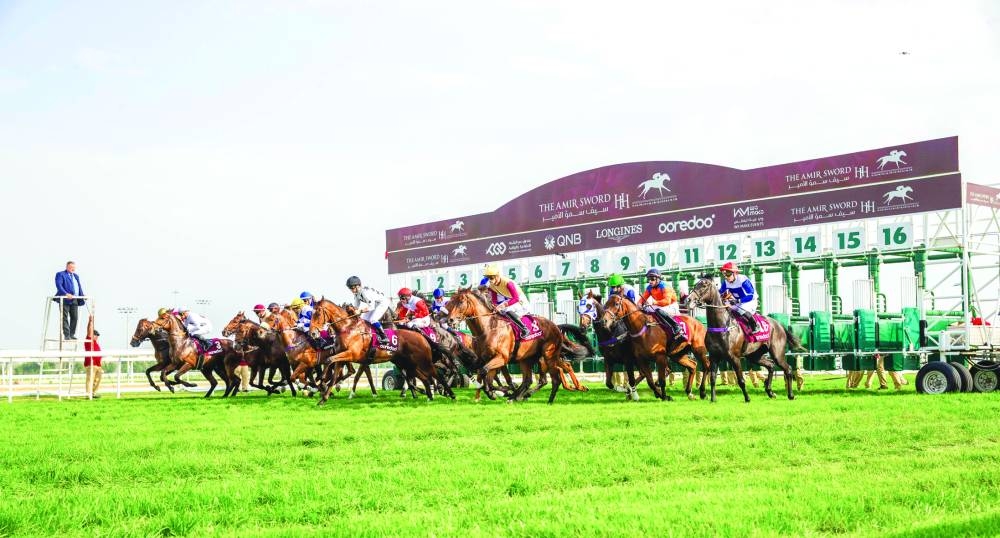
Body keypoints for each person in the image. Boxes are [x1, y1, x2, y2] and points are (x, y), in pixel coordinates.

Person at [483, 265, 531, 338]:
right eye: (488, 278)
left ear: (497, 276)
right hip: (511, 300)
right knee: (496, 311)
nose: (490, 280)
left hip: (520, 301)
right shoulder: (491, 285)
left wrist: (503, 306)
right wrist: (495, 306)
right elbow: (494, 299)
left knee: (507, 310)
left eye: (491, 278)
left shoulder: (508, 283)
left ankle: (525, 329)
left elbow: (516, 298)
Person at [639, 268, 685, 345]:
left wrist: (654, 302)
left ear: (658, 279)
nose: (650, 281)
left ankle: (676, 326)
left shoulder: (665, 286)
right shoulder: (649, 287)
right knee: (644, 309)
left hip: (671, 306)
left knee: (658, 311)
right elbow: (642, 299)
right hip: (659, 305)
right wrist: (639, 304)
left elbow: (667, 301)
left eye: (652, 279)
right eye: (649, 279)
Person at [346, 276, 392, 344]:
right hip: (376, 304)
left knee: (373, 319)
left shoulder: (366, 293)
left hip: (383, 303)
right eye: (350, 288)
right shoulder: (357, 294)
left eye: (352, 288)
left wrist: (360, 311)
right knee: (363, 319)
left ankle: (384, 337)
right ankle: (372, 335)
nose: (352, 290)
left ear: (358, 286)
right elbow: (356, 307)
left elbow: (371, 307)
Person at [718, 262, 758, 331]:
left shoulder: (743, 280)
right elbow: (719, 292)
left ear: (735, 273)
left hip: (750, 301)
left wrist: (738, 300)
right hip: (737, 302)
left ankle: (755, 325)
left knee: (741, 309)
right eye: (724, 274)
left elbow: (751, 296)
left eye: (728, 274)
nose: (726, 277)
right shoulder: (726, 282)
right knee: (726, 308)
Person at [54, 261, 86, 340]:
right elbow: (59, 285)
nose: (73, 269)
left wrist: (82, 295)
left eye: (74, 267)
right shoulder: (61, 274)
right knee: (64, 317)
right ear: (67, 267)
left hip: (74, 299)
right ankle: (67, 335)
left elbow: (78, 287)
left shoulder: (76, 276)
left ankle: (72, 334)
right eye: (71, 267)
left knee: (75, 317)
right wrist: (66, 294)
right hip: (65, 299)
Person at [83, 314, 102, 398]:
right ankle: (88, 394)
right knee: (90, 379)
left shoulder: (96, 343)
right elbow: (89, 330)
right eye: (96, 335)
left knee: (97, 379)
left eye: (98, 335)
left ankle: (93, 393)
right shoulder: (89, 341)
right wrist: (90, 322)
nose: (97, 336)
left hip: (98, 365)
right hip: (91, 364)